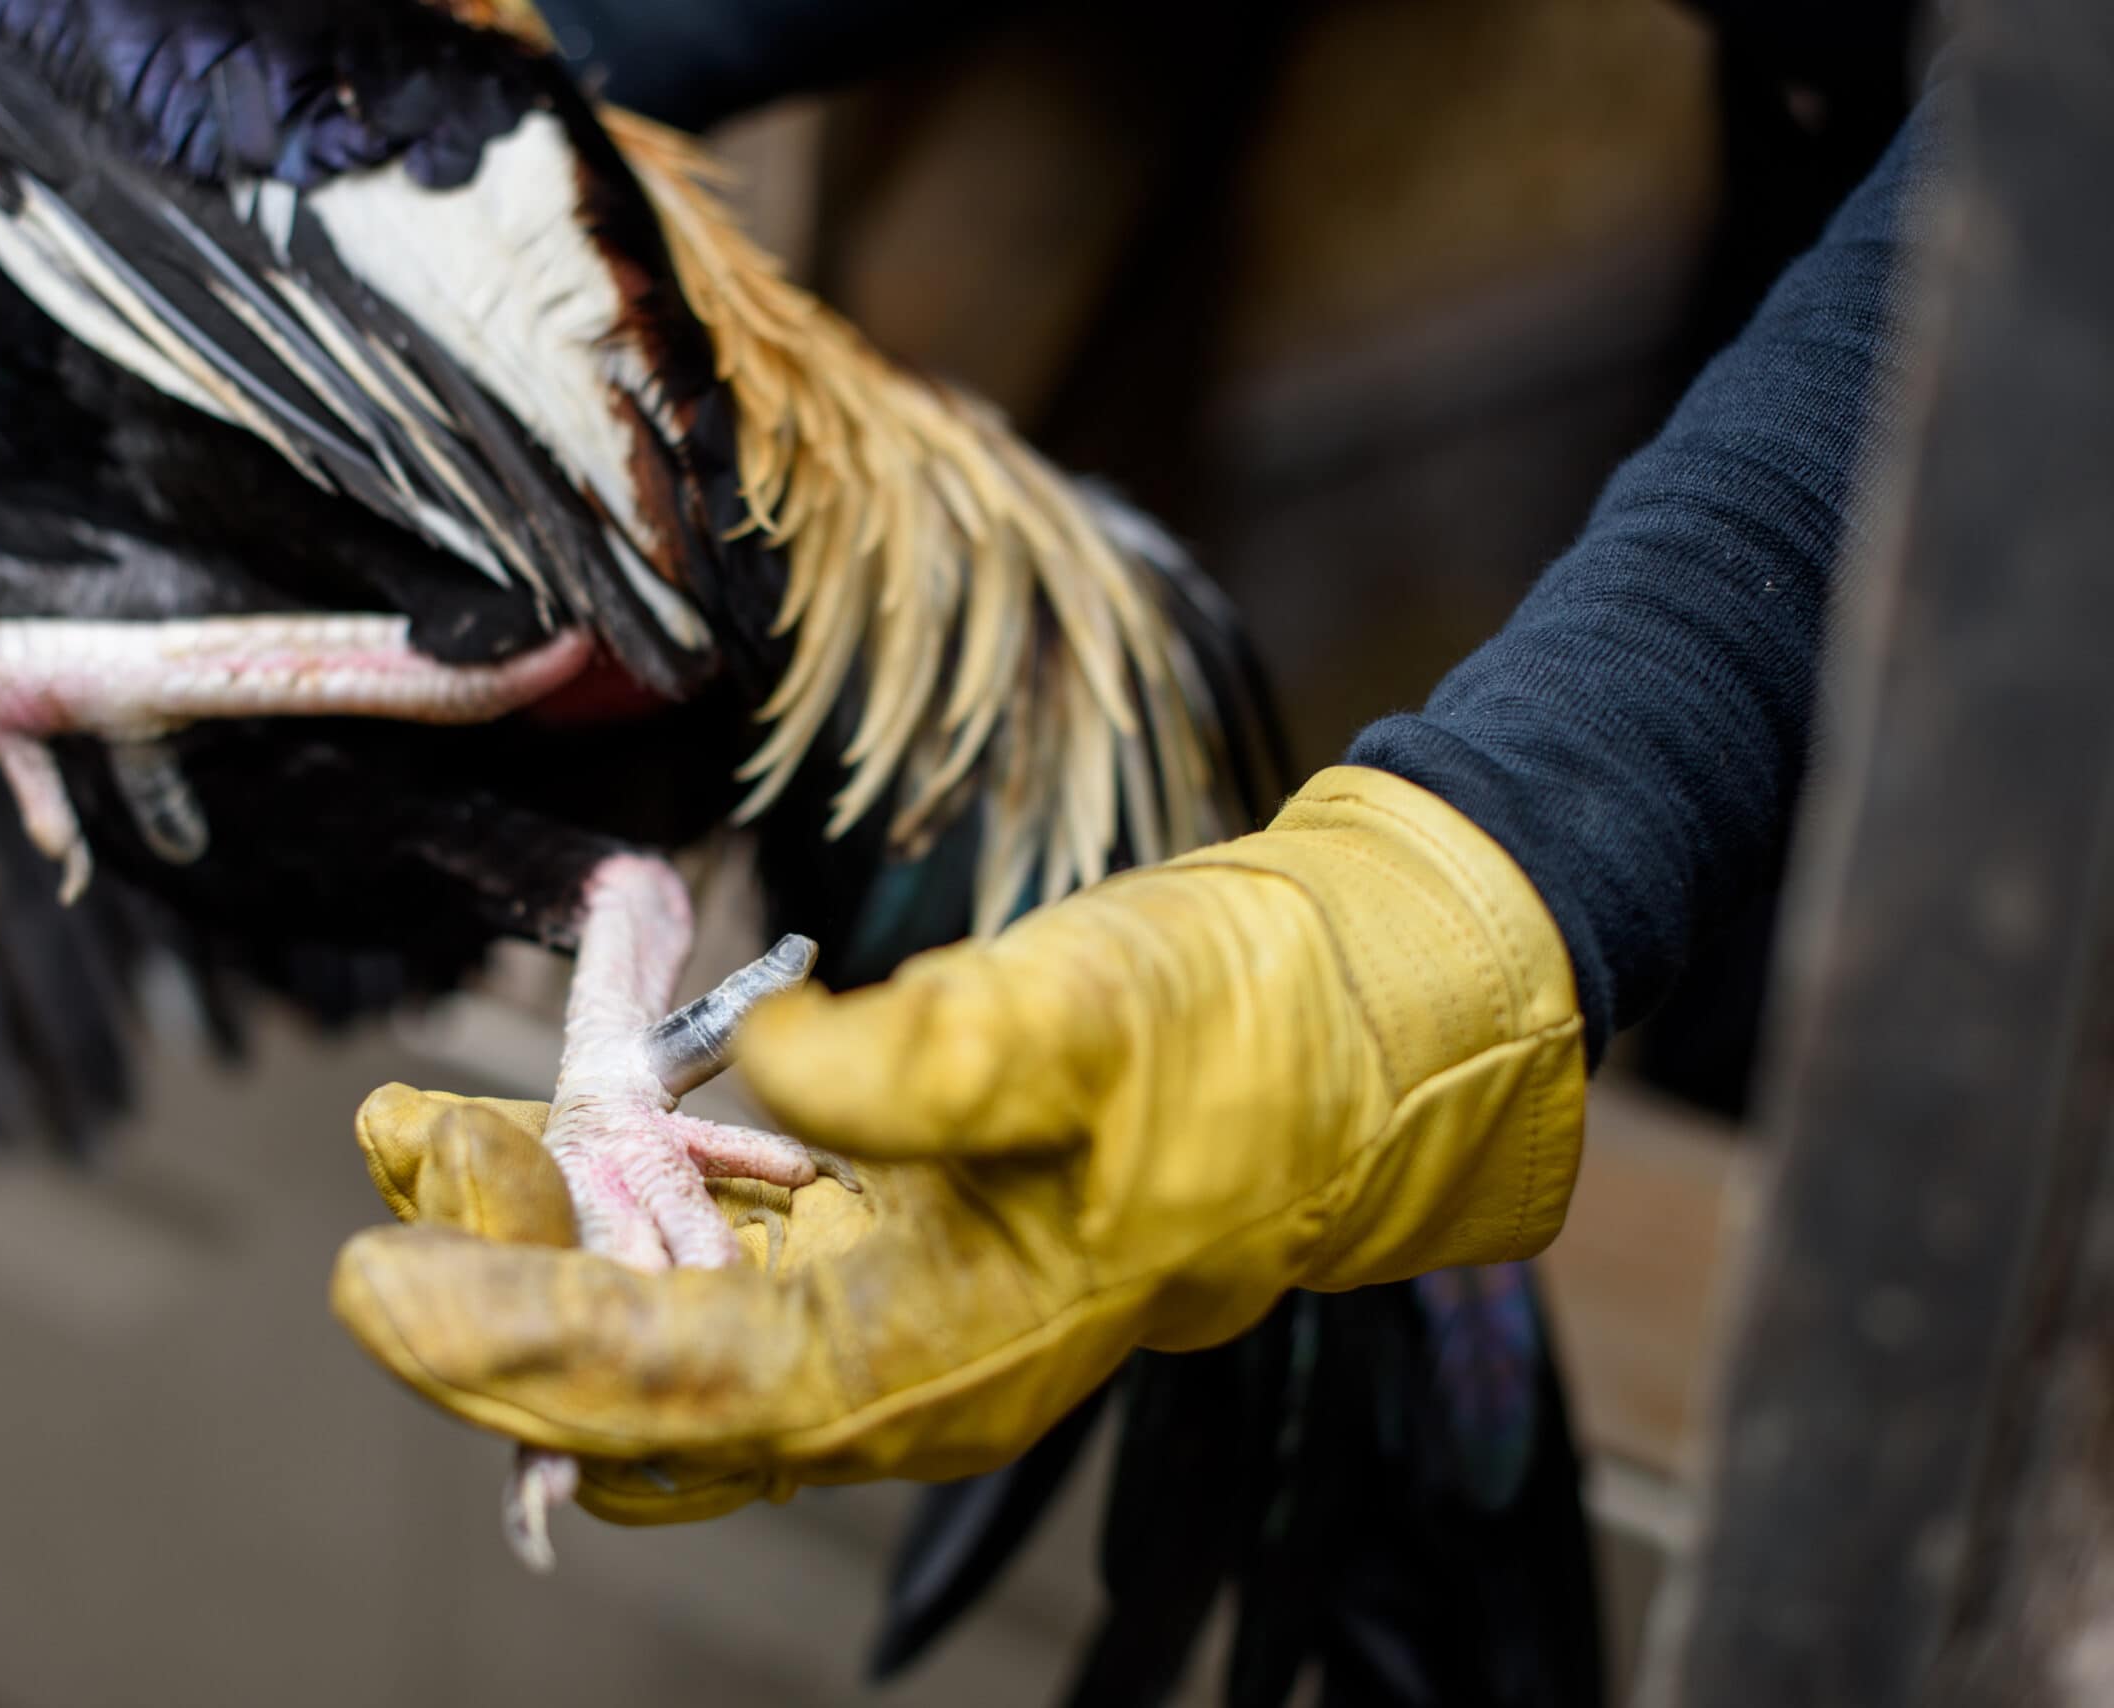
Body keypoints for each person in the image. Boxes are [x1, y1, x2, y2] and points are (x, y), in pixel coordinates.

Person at [334, 0, 1934, 1580]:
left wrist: (1507, 862)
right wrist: (394, 87)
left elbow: (2034, 261)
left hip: (2019, 310)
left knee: (1901, 1074)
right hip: (1847, 150)